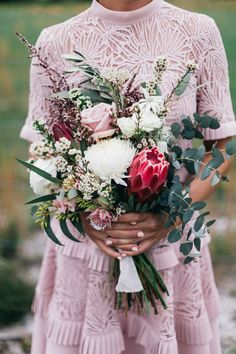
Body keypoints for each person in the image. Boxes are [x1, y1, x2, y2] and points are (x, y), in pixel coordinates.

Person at [20, 0, 236, 353]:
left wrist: (169, 215)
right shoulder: (53, 41)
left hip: (170, 250)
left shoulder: (198, 31)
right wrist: (86, 215)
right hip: (85, 251)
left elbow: (223, 146)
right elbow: (42, 151)